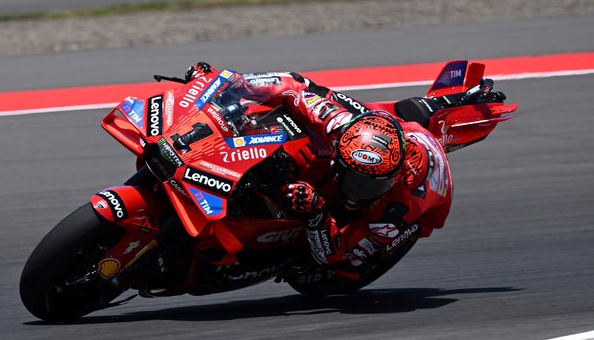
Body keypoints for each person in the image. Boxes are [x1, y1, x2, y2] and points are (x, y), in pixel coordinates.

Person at [185, 62, 454, 294]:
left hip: (420, 207)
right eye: (353, 178)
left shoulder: (399, 209)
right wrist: (229, 84)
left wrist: (317, 217)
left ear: (393, 178)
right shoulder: (337, 123)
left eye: (369, 185)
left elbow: (338, 254)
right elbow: (294, 85)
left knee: (346, 267)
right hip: (389, 130)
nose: (356, 192)